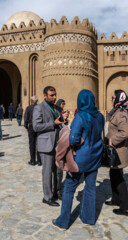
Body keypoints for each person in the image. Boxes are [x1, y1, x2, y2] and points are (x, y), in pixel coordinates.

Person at [53, 89, 104, 230]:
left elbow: (74, 138)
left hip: (79, 159)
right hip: (95, 157)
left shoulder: (80, 117)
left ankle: (63, 221)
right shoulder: (100, 116)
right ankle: (88, 218)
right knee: (90, 187)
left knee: (69, 189)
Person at [33, 86, 63, 207]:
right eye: (52, 95)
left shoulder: (56, 108)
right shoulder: (38, 108)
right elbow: (36, 126)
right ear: (45, 95)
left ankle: (56, 192)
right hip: (46, 144)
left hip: (57, 143)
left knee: (58, 170)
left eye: (55, 94)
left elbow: (59, 123)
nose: (55, 97)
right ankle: (47, 196)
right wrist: (52, 124)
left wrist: (63, 119)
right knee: (47, 172)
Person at [105, 90, 128, 216]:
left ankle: (125, 207)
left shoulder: (121, 114)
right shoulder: (117, 111)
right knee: (113, 173)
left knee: (119, 178)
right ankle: (115, 200)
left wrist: (112, 140)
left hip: (119, 151)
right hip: (115, 150)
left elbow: (124, 133)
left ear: (118, 99)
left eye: (113, 97)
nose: (111, 99)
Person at [24, 96, 42, 166]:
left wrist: (26, 126)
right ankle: (39, 161)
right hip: (39, 126)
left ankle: (32, 160)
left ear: (31, 101)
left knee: (32, 143)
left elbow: (26, 118)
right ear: (36, 101)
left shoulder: (29, 108)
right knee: (39, 143)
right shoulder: (40, 107)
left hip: (31, 126)